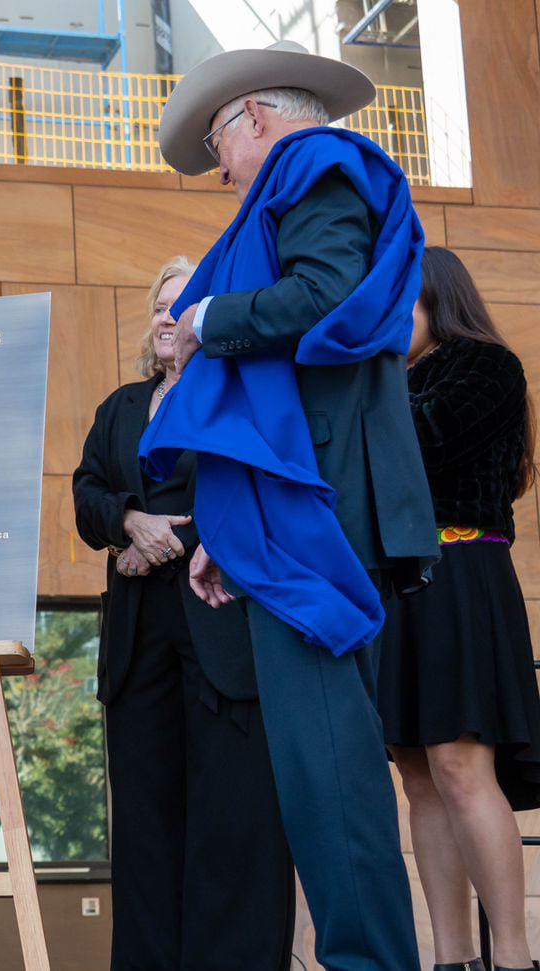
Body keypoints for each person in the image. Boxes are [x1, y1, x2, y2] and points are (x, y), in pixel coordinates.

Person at [142, 42, 439, 970]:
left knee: (333, 780)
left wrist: (203, 319)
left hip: (324, 510)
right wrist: (234, 535)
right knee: (325, 779)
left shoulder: (312, 162)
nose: (222, 174)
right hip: (307, 505)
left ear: (257, 120)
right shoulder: (303, 171)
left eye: (220, 147)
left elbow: (325, 295)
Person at [73, 256, 293, 971]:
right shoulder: (119, 408)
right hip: (139, 641)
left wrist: (173, 541)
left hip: (220, 627)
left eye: (187, 302)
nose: (171, 315)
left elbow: (264, 491)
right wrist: (129, 520)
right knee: (145, 824)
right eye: (162, 304)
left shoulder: (240, 395)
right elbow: (86, 496)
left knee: (232, 818)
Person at [379, 246, 540, 971]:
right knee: (417, 771)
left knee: (461, 763)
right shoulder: (389, 380)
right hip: (397, 586)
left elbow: (420, 443)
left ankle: (511, 956)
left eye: (397, 304)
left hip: (461, 571)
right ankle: (449, 957)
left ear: (434, 298)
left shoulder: (486, 366)